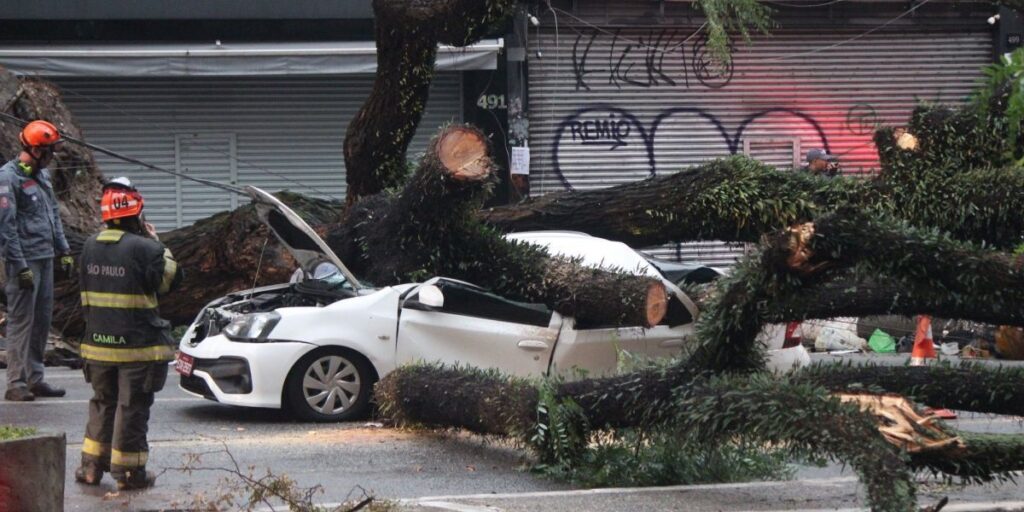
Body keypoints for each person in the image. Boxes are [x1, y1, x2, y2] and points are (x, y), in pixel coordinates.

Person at [75, 177, 182, 490]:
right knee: (131, 407)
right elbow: (169, 282)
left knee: (102, 403)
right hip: (137, 348)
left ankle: (92, 468)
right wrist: (159, 244)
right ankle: (129, 473)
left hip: (97, 345)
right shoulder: (146, 248)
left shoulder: (89, 247)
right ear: (137, 214)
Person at [1, 120, 74, 402]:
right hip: (25, 261)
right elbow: (6, 228)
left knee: (42, 320)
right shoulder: (8, 178)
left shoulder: (40, 175)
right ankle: (16, 383)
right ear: (35, 149)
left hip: (45, 257)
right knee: (22, 320)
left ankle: (36, 378)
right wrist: (19, 266)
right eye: (49, 151)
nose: (52, 156)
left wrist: (64, 249)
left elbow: (53, 213)